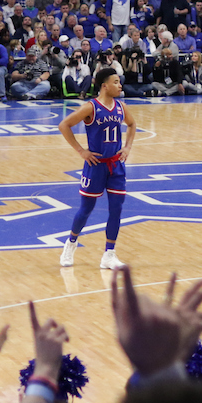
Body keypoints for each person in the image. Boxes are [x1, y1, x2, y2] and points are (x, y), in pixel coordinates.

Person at [57, 69, 137, 269]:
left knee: (116, 209)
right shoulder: (90, 107)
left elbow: (132, 124)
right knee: (86, 209)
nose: (120, 85)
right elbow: (64, 125)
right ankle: (71, 243)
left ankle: (109, 254)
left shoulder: (121, 106)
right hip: (95, 166)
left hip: (116, 165)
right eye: (116, 82)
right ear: (104, 85)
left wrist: (127, 147)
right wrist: (81, 151)